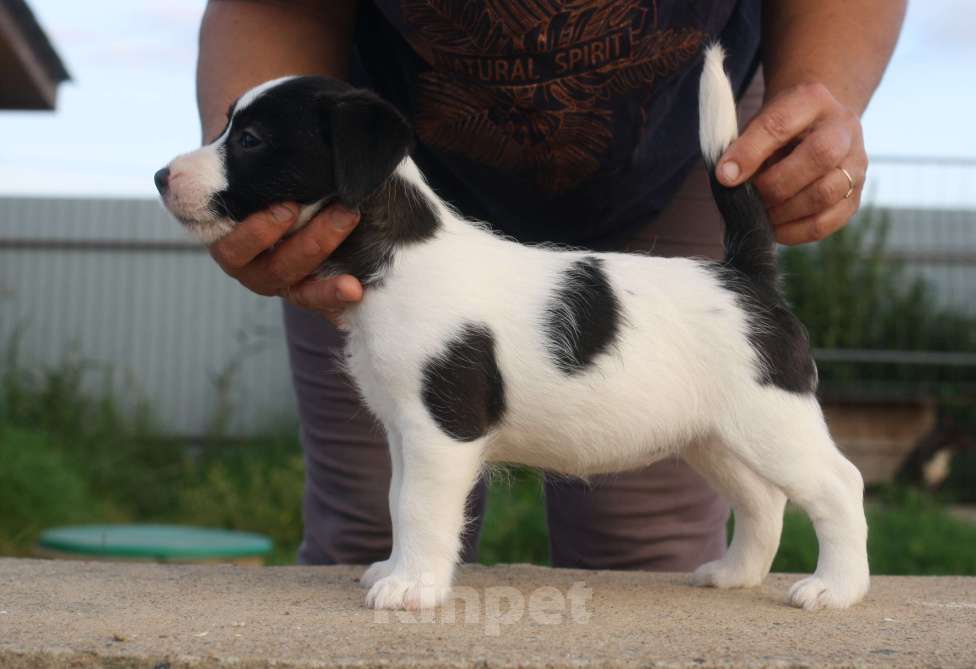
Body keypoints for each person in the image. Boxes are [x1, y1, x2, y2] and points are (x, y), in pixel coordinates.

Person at [195, 1, 905, 569]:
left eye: (245, 140)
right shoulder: (415, 288)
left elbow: (446, 434)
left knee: (725, 479)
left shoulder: (437, 311)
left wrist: (823, 94)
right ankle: (410, 563)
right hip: (407, 134)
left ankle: (838, 546)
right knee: (357, 529)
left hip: (683, 219)